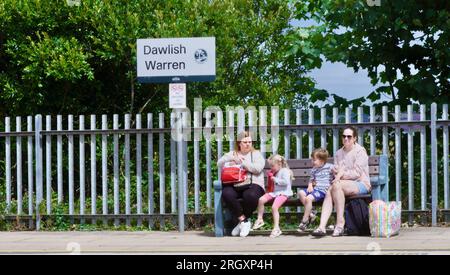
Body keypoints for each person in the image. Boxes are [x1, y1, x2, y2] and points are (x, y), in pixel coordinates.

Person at [312, 126, 370, 237]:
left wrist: (341, 174)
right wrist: (336, 172)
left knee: (336, 186)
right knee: (331, 189)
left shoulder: (360, 151)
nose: (346, 138)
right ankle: (322, 227)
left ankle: (340, 223)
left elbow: (357, 173)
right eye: (344, 136)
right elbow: (336, 171)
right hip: (341, 184)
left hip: (361, 184)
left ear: (354, 138)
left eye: (349, 136)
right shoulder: (339, 153)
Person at [217, 131, 265, 237]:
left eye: (249, 142)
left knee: (250, 196)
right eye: (245, 142)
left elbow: (257, 169)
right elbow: (219, 163)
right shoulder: (232, 153)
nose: (248, 144)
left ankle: (241, 223)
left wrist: (243, 163)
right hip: (234, 183)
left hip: (253, 184)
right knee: (226, 194)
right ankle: (244, 221)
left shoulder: (256, 154)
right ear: (239, 143)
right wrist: (230, 160)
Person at [253, 154, 294, 238]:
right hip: (275, 193)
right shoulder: (275, 172)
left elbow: (286, 182)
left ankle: (276, 228)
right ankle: (260, 219)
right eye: (270, 166)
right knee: (261, 200)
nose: (271, 168)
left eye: (272, 166)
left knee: (274, 207)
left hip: (284, 193)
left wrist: (275, 179)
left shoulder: (285, 171)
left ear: (279, 164)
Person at [297, 148, 333, 232]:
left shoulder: (330, 167)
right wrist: (310, 185)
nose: (312, 162)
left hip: (323, 191)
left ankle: (305, 220)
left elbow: (336, 175)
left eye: (314, 160)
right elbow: (311, 180)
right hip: (315, 189)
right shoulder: (314, 169)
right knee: (301, 193)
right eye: (312, 160)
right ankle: (311, 212)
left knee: (308, 198)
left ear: (322, 160)